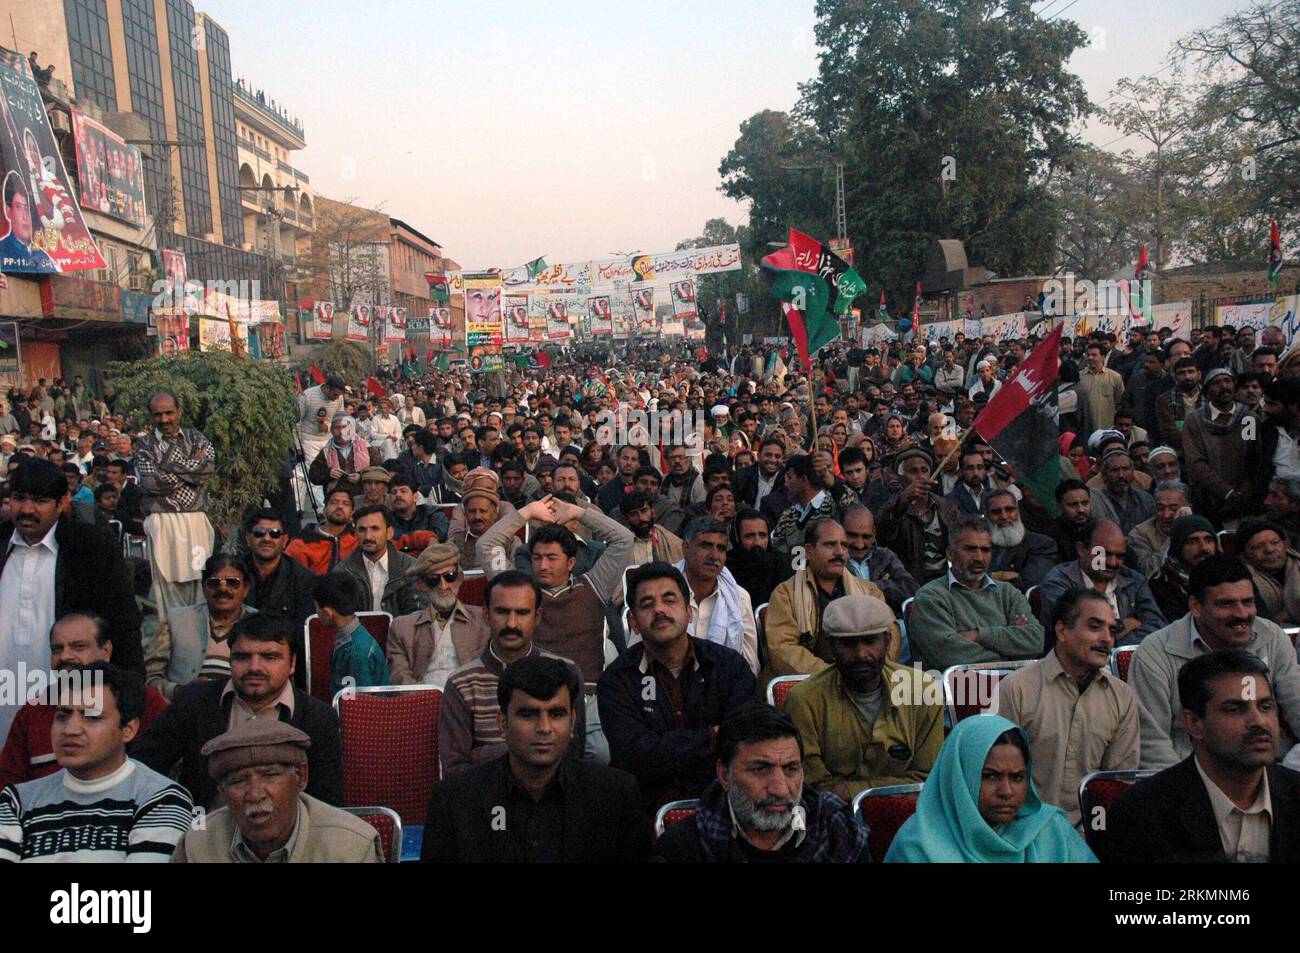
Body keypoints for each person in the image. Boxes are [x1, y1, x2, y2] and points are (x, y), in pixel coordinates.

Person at [422, 656, 648, 862]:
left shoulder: (615, 796)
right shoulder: (456, 800)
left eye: (556, 714)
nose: (544, 728)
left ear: (573, 723)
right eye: (528, 714)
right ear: (502, 723)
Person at [1101, 650, 1300, 863]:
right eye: (1234, 709)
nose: (1259, 721)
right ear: (1194, 724)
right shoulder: (1143, 813)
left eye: (1266, 707)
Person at [132, 613, 343, 810]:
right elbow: (144, 769)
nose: (254, 667)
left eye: (270, 657)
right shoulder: (194, 701)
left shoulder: (318, 718)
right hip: (203, 833)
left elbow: (325, 803)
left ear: (292, 663)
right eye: (242, 657)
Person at [0, 459, 143, 745]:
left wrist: (129, 694)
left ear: (62, 502)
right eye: (19, 499)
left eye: (39, 501)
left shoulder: (90, 547)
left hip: (69, 702)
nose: (27, 510)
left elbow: (123, 624)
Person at [598, 562, 756, 809]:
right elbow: (635, 757)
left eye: (669, 600)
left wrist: (663, 747)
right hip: (645, 807)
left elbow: (743, 742)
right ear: (633, 621)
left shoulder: (727, 665)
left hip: (724, 801)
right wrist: (711, 736)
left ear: (689, 611)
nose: (659, 610)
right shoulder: (618, 679)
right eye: (647, 605)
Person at [0, 663, 192, 863]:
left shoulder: (163, 800)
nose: (70, 729)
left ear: (128, 729)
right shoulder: (17, 801)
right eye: (62, 716)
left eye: (92, 717)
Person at [1130, 553, 1300, 770]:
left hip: (1271, 772)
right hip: (1192, 778)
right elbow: (1151, 742)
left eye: (1248, 602)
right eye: (1226, 604)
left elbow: (1297, 704)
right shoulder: (1154, 653)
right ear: (1196, 606)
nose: (1242, 614)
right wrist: (1188, 795)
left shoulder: (1272, 636)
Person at [653, 703, 869, 863]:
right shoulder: (684, 848)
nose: (780, 788)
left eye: (790, 769)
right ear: (725, 775)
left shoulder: (838, 830)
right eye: (760, 769)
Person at [997, 591, 1139, 825]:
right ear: (1062, 630)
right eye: (1095, 627)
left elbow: (1116, 785)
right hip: (1023, 833)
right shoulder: (1016, 689)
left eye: (1112, 631)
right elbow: (999, 782)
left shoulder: (1122, 697)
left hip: (1092, 835)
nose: (1107, 639)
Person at [786, 596, 941, 799]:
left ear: (888, 642)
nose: (861, 654)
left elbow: (927, 778)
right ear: (831, 647)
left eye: (870, 641)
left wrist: (850, 790)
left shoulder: (921, 689)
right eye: (848, 644)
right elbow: (814, 786)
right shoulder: (804, 700)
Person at [884, 715, 1097, 863]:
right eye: (990, 776)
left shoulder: (1050, 830)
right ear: (959, 779)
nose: (1006, 791)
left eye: (1017, 777)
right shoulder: (918, 847)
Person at [174, 718, 382, 863]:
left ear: (301, 777)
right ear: (223, 792)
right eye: (238, 781)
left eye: (270, 775)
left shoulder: (350, 845)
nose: (255, 794)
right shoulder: (198, 843)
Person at [439, 571, 586, 774]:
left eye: (522, 613)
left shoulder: (566, 673)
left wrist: (482, 754)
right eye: (502, 612)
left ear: (537, 616)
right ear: (486, 615)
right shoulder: (462, 683)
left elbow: (572, 756)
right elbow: (455, 769)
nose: (512, 624)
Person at [0, 614, 168, 787]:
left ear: (106, 650)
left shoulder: (144, 701)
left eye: (78, 646)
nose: (65, 656)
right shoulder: (35, 711)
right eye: (57, 649)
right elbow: (7, 786)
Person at [479, 495, 631, 685]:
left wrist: (579, 513)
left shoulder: (594, 586)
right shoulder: (517, 592)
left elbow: (624, 540)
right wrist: (527, 513)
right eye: (537, 558)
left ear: (570, 563)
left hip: (587, 693)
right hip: (530, 691)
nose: (543, 566)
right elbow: (487, 545)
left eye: (551, 558)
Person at [763, 518, 899, 684]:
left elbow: (889, 635)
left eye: (843, 545)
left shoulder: (869, 592)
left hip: (865, 676)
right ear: (809, 551)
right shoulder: (785, 594)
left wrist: (866, 670)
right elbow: (783, 649)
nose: (840, 552)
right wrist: (833, 677)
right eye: (830, 544)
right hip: (810, 684)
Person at [908, 515, 1045, 672]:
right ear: (950, 554)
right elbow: (950, 656)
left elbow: (1036, 640)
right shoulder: (931, 597)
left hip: (1011, 686)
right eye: (970, 549)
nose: (979, 558)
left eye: (985, 550)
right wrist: (1012, 650)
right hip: (958, 690)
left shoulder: (1008, 593)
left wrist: (978, 635)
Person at [133, 391, 216, 619]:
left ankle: (202, 636)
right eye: (158, 414)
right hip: (162, 521)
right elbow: (151, 483)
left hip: (196, 520)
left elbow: (206, 470)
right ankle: (172, 639)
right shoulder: (144, 445)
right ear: (151, 416)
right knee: (167, 583)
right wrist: (191, 466)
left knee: (200, 577)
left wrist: (167, 467)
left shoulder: (196, 438)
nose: (164, 419)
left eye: (169, 413)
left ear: (178, 412)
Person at [1036, 519, 1166, 649]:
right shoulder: (1058, 581)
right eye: (1104, 554)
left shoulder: (1133, 580)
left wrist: (1113, 645)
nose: (1113, 563)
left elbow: (1158, 629)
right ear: (1081, 549)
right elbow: (1072, 633)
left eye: (1120, 556)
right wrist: (1123, 626)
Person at [146, 554, 258, 700]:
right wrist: (179, 691)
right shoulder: (177, 621)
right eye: (213, 583)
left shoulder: (259, 625)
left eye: (232, 582)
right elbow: (149, 676)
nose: (223, 588)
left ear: (246, 589)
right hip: (183, 713)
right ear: (204, 588)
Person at [387, 543, 489, 688]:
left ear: (459, 579)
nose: (443, 586)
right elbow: (401, 679)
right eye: (433, 579)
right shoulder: (402, 628)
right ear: (421, 585)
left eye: (449, 576)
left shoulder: (483, 620)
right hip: (422, 704)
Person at [671, 516, 759, 674]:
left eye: (721, 548)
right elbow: (642, 657)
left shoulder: (739, 597)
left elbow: (749, 665)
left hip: (723, 690)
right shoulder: (662, 594)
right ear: (686, 549)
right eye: (706, 546)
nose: (715, 556)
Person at [1184, 367, 1257, 527]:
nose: (1224, 387)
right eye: (1217, 383)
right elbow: (1196, 464)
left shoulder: (1247, 418)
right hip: (1209, 502)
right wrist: (1227, 493)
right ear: (1207, 391)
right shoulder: (1195, 421)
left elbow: (1252, 455)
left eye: (1228, 381)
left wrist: (1244, 490)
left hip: (1244, 500)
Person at [875, 448, 959, 584]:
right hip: (908, 583)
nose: (920, 476)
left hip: (944, 582)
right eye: (913, 471)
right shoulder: (892, 507)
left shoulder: (947, 508)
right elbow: (882, 536)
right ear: (901, 477)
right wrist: (902, 502)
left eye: (924, 471)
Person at [337, 504, 426, 616]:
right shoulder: (343, 571)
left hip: (401, 632)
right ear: (355, 534)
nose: (368, 536)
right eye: (362, 530)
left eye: (375, 529)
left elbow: (417, 613)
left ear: (389, 533)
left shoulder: (411, 567)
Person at [311, 572, 389, 696]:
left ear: (327, 613)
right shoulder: (355, 637)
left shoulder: (355, 653)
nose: (316, 611)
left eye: (316, 607)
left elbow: (358, 703)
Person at [242, 508, 315, 628]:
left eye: (274, 533)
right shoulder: (234, 573)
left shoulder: (303, 579)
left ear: (285, 540)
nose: (267, 539)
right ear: (247, 538)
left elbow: (303, 630)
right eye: (259, 532)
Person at [841, 505, 918, 611]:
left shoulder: (885, 556)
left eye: (866, 537)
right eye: (852, 535)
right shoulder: (834, 560)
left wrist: (874, 587)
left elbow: (911, 588)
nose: (859, 545)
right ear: (840, 531)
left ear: (874, 534)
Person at [1147, 514, 1219, 624]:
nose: (1204, 548)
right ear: (1178, 547)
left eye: (1208, 540)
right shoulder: (1161, 583)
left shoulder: (1230, 574)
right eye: (1193, 542)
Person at [984, 489, 1057, 592]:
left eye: (1009, 510)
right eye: (996, 512)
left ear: (1018, 512)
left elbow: (1029, 585)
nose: (1004, 516)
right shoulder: (980, 545)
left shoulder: (1043, 544)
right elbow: (961, 576)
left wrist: (982, 577)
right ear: (987, 517)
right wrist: (999, 575)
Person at [770, 454, 839, 554]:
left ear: (803, 479)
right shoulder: (788, 516)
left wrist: (832, 481)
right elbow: (777, 551)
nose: (785, 484)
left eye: (789, 477)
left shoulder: (833, 506)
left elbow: (853, 508)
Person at [1237, 518, 1300, 626]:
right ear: (1244, 555)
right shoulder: (1241, 579)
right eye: (1258, 547)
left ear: (1285, 545)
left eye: (1275, 543)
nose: (1269, 549)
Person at [285, 486, 359, 574]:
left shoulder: (358, 541)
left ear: (352, 514)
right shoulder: (301, 543)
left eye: (346, 504)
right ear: (324, 510)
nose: (340, 506)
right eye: (334, 502)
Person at [1126, 480, 1191, 578]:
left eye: (1173, 509)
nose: (1166, 515)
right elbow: (1150, 572)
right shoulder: (1139, 534)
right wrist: (1174, 534)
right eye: (1160, 508)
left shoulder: (1200, 530)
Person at [1087, 450, 1154, 535]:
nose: (1121, 475)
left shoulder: (1146, 500)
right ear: (1104, 475)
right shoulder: (1095, 501)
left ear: (1133, 472)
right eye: (1115, 470)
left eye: (1125, 469)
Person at [307, 412, 370, 494]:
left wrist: (361, 477)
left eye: (344, 427)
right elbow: (313, 476)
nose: (341, 432)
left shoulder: (366, 448)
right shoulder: (326, 452)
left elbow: (378, 471)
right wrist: (328, 474)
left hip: (362, 496)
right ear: (331, 430)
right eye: (337, 427)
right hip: (336, 498)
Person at [620, 489, 683, 565]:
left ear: (652, 511)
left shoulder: (671, 541)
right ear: (627, 519)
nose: (641, 518)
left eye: (644, 511)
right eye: (633, 514)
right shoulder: (622, 548)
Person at [1049, 478, 1094, 562]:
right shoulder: (1052, 537)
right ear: (1059, 507)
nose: (1081, 510)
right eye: (1073, 505)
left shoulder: (1101, 529)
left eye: (1085, 503)